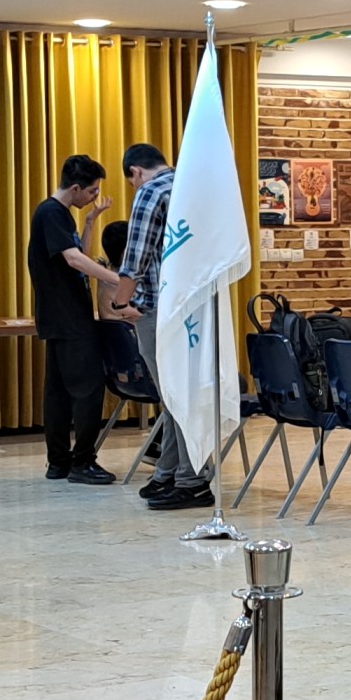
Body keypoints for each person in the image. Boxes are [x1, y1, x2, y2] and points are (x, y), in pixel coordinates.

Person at [115, 141, 213, 512]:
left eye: (131, 181)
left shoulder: (150, 192)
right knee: (181, 395)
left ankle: (192, 480)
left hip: (161, 309)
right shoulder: (194, 186)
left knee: (176, 396)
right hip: (198, 308)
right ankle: (169, 472)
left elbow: (136, 257)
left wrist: (120, 302)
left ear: (135, 172)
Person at [29, 155, 125, 484]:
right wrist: (119, 280)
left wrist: (90, 222)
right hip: (69, 317)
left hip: (60, 317)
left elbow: (78, 254)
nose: (95, 196)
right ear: (75, 188)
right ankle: (83, 461)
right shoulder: (51, 213)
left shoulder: (60, 214)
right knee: (87, 391)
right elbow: (74, 261)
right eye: (93, 191)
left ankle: (58, 463)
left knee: (58, 392)